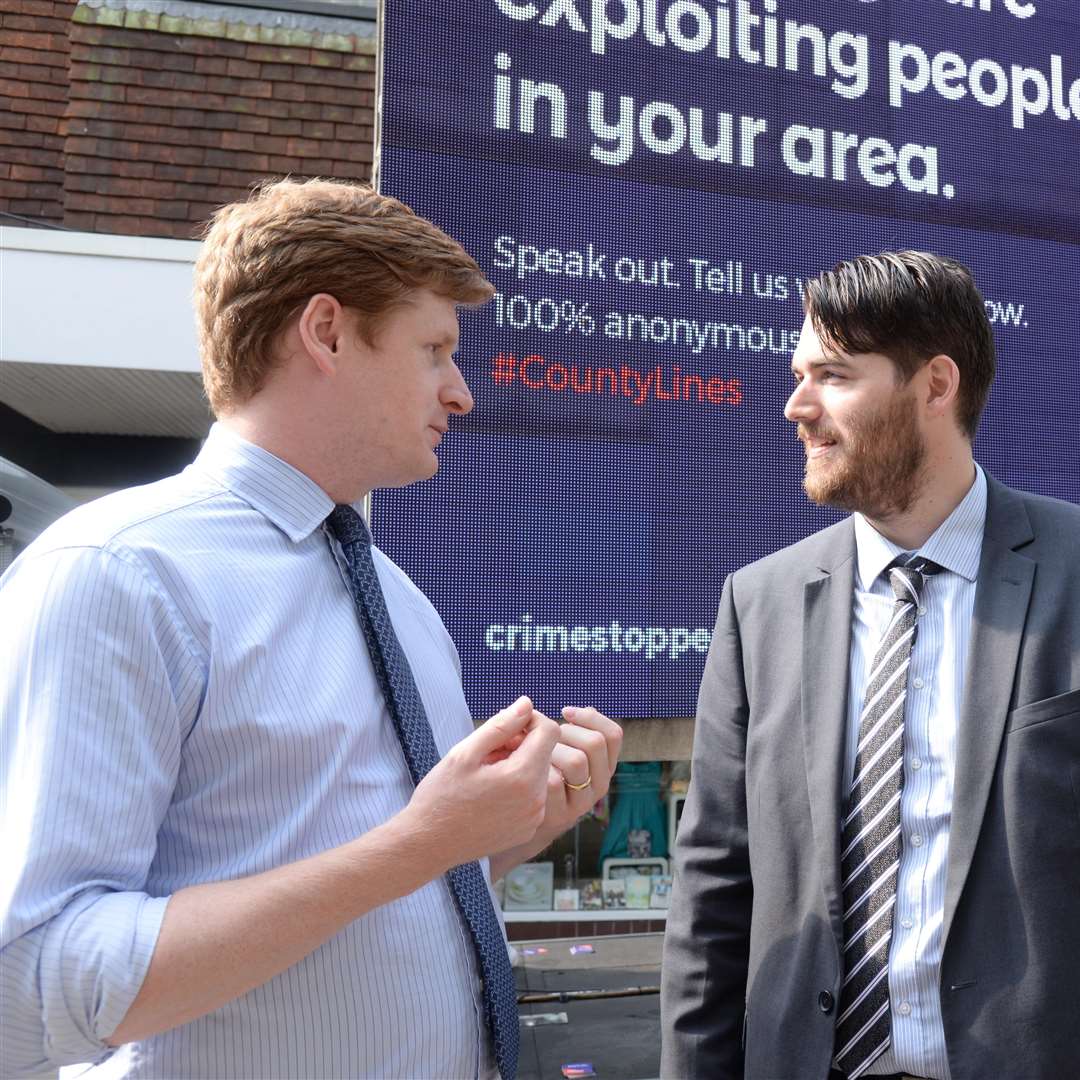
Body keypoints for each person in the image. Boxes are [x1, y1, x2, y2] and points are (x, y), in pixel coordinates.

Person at [0, 178, 622, 1078]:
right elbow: (31, 983)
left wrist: (502, 831)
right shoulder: (118, 573)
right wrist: (422, 842)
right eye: (435, 349)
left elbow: (382, 897)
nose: (462, 395)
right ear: (327, 332)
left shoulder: (401, 601)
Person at [661, 251, 1080, 1078]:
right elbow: (713, 900)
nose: (797, 406)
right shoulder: (761, 603)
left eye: (833, 376)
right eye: (799, 375)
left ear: (934, 385)